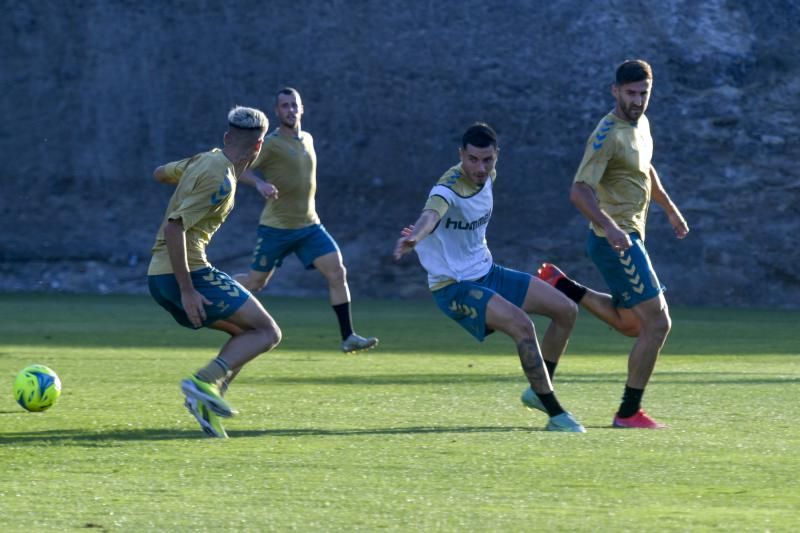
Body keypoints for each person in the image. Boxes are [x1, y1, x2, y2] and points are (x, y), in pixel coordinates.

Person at [393, 122, 585, 433]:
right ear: (461, 155)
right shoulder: (447, 188)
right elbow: (431, 214)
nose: (480, 168)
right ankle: (555, 413)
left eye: (487, 160)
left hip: (487, 272)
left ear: (497, 156)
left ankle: (538, 390)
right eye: (472, 159)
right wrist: (415, 236)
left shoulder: (488, 177)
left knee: (566, 310)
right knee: (523, 326)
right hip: (454, 287)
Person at [532, 59, 689, 429]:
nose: (637, 100)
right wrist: (610, 226)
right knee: (658, 323)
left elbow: (645, 168)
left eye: (643, 93)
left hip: (626, 237)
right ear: (614, 91)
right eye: (630, 93)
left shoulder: (642, 125)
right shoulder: (606, 134)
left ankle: (563, 286)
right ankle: (628, 412)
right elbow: (579, 191)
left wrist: (669, 209)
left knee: (633, 325)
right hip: (615, 241)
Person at [148, 106, 281, 438]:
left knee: (246, 334)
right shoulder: (220, 178)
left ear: (226, 138)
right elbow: (175, 228)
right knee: (267, 332)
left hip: (159, 276)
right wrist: (188, 289)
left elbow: (160, 173)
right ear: (259, 147)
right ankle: (201, 382)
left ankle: (208, 403)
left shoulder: (203, 160)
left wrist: (186, 175)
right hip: (186, 273)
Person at [234, 87, 378, 354]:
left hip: (310, 226)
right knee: (256, 283)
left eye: (294, 105)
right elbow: (237, 167)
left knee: (337, 272)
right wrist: (259, 184)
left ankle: (348, 337)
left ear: (302, 109)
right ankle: (215, 288)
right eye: (284, 106)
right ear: (277, 112)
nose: (290, 110)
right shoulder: (271, 143)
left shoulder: (308, 139)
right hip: (276, 228)